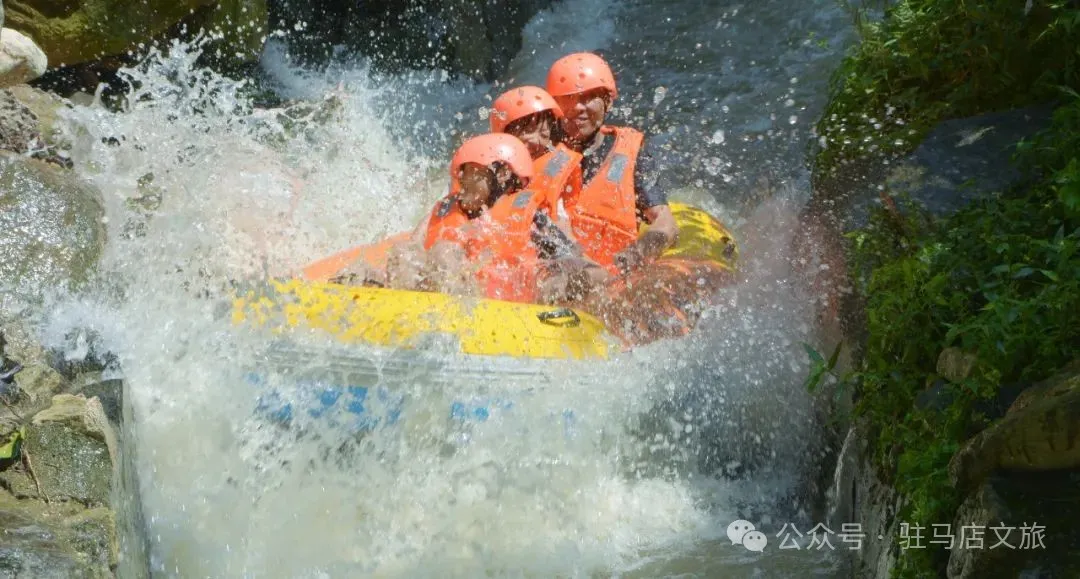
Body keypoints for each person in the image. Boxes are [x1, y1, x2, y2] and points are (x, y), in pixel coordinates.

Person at [359, 133, 605, 304]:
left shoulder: (531, 219)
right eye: (461, 174)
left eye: (472, 174)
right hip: (445, 293)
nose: (462, 183)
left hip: (508, 303)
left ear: (502, 174)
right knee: (407, 252)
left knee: (446, 253)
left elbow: (570, 260)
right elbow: (413, 248)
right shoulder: (445, 210)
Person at [545, 52, 679, 277]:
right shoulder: (538, 152)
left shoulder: (630, 152)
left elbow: (666, 223)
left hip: (616, 275)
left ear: (607, 102)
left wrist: (639, 252)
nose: (578, 107)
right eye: (568, 98)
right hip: (561, 274)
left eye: (589, 97)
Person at [489, 85, 583, 226]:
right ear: (504, 134)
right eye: (528, 131)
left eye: (544, 133)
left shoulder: (561, 167)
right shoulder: (487, 172)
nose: (536, 141)